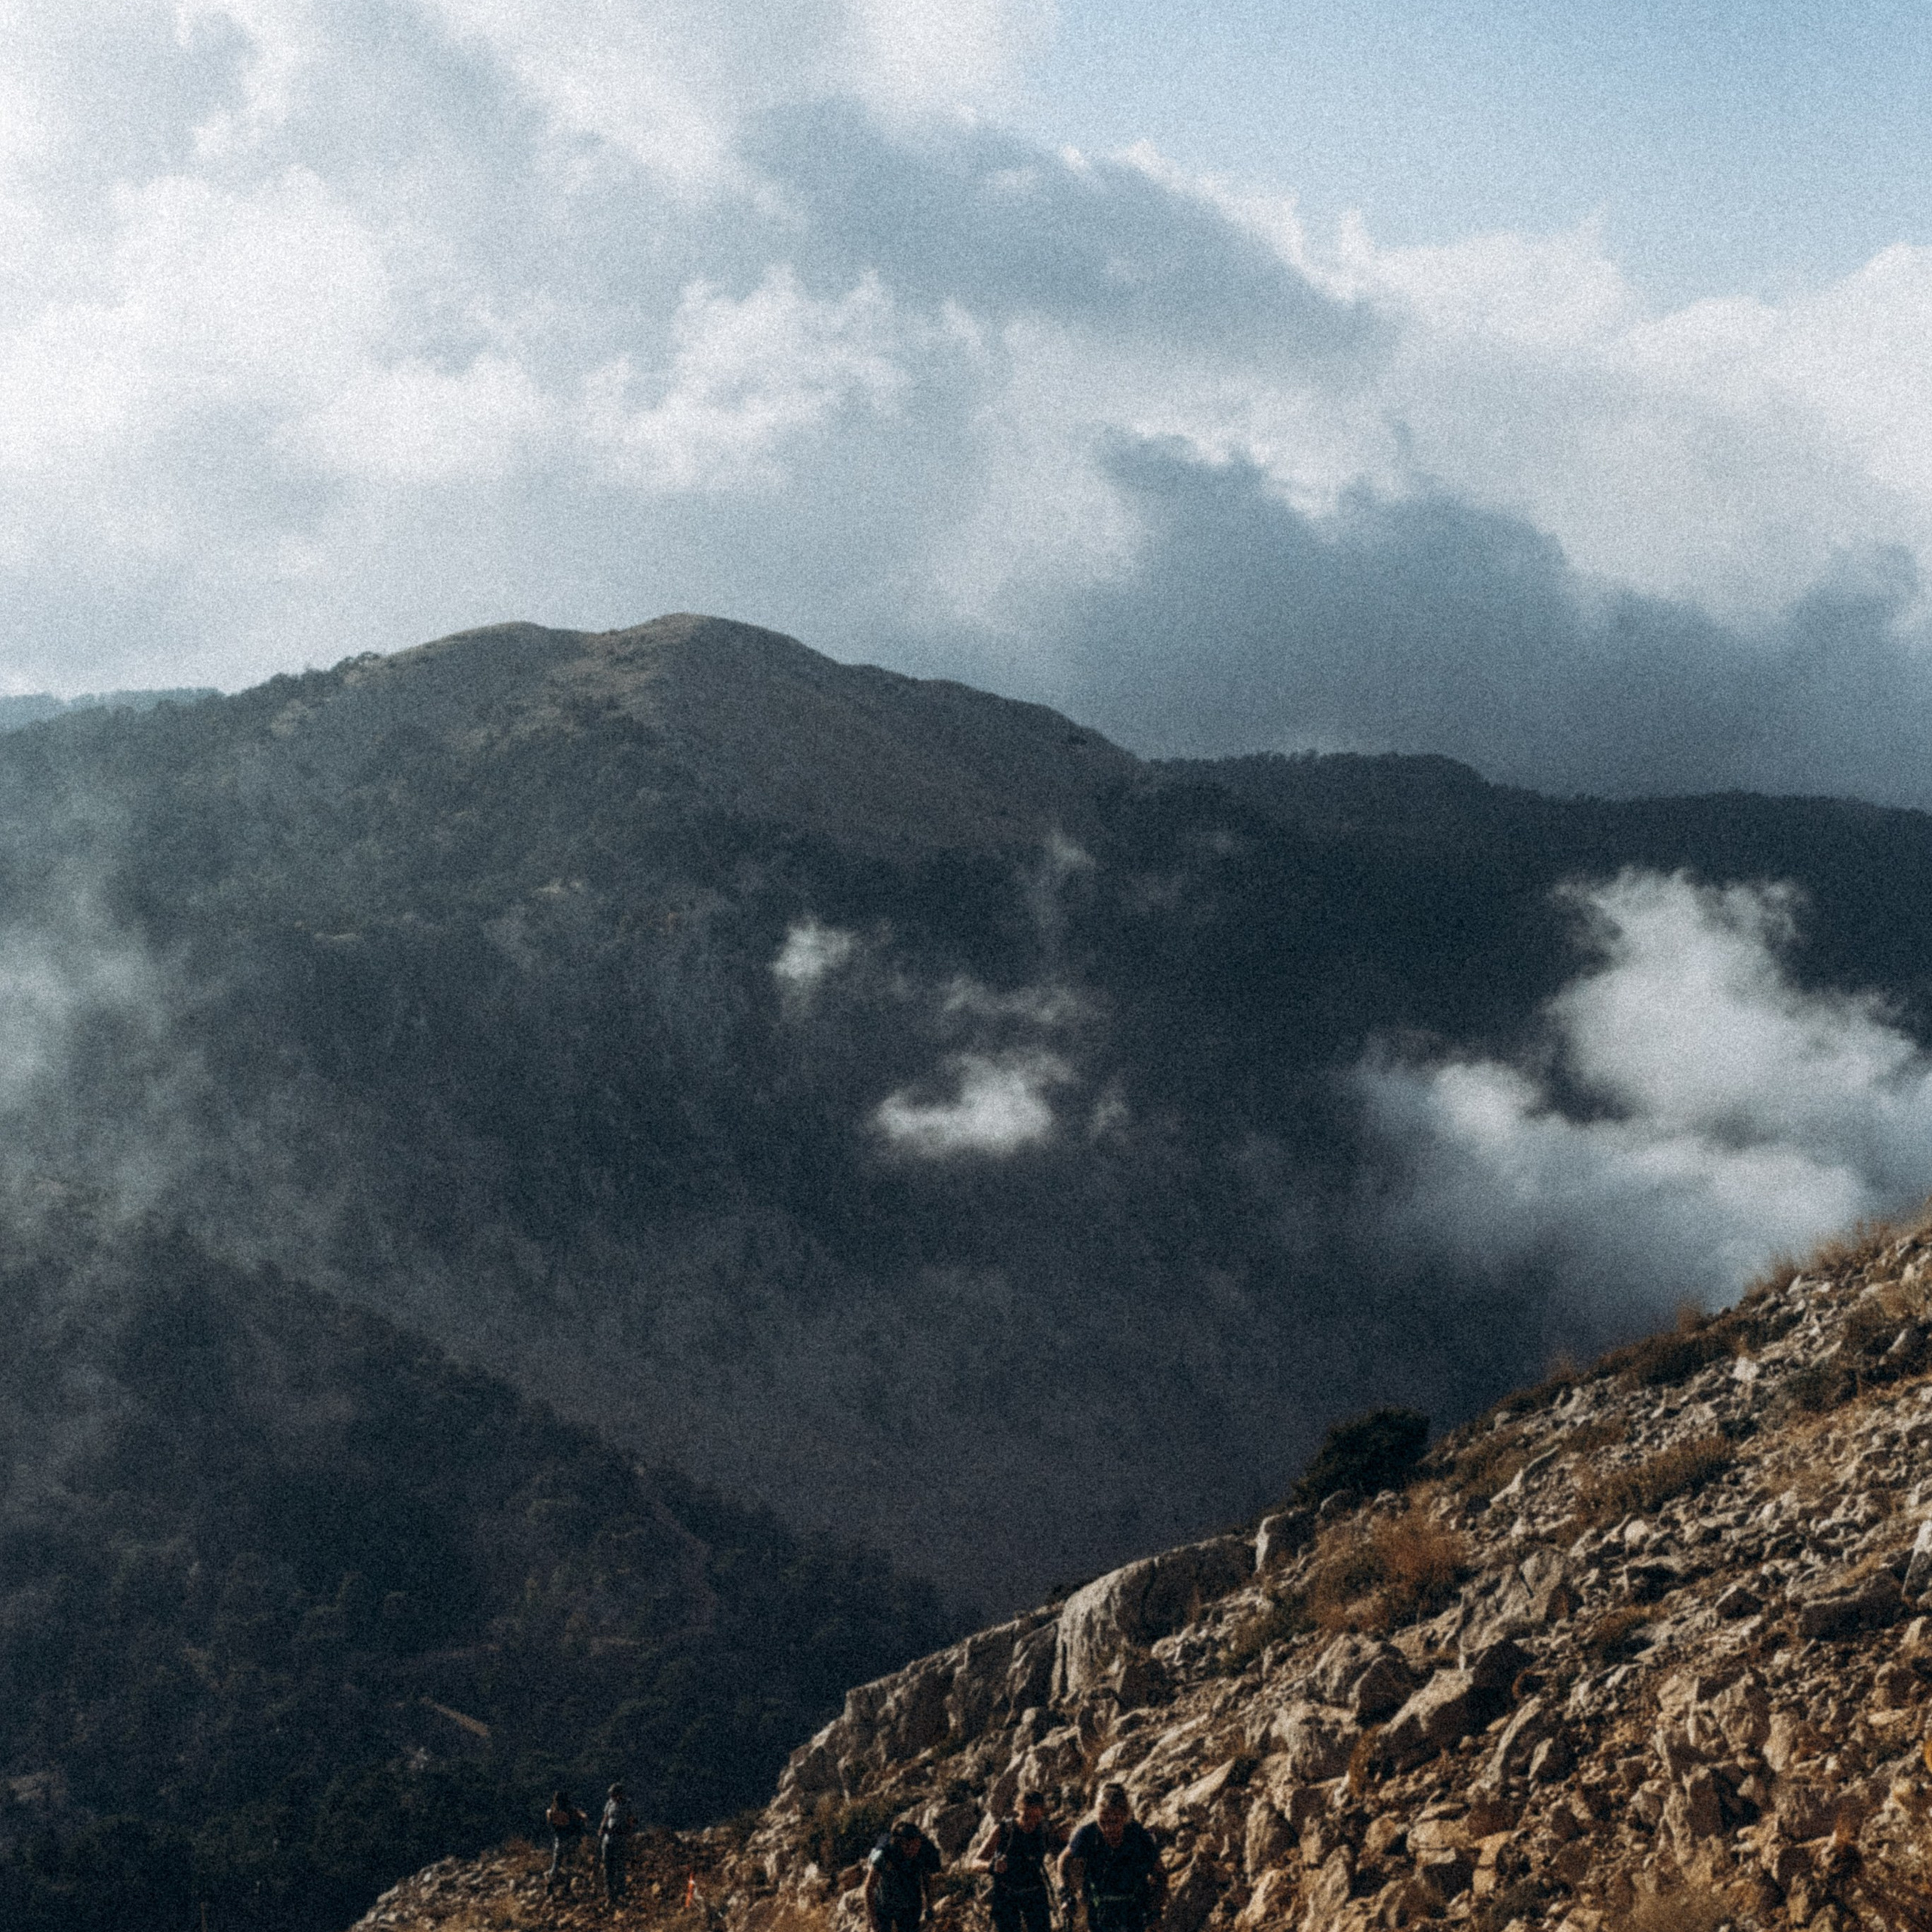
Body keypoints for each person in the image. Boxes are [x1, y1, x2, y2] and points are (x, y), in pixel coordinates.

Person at [1060, 1784, 1165, 1932]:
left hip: (1133, 1912)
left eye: (1114, 1822)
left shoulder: (1138, 1836)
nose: (1108, 1829)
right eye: (1103, 1822)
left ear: (1125, 1816)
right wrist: (1065, 1894)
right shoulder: (1089, 1834)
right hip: (1099, 1913)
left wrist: (1154, 1912)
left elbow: (1160, 1875)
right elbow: (1064, 1860)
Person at [977, 1791, 1062, 1932]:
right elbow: (975, 1862)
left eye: (1036, 1817)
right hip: (1006, 1894)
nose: (1031, 1822)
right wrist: (992, 1866)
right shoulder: (1004, 1830)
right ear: (1017, 1810)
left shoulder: (1044, 1830)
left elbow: (1061, 1856)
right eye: (1026, 1817)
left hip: (1034, 1892)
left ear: (1042, 1813)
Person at [866, 1819, 941, 1932]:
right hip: (884, 1902)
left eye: (915, 1846)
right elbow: (869, 1887)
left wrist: (929, 1905)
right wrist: (873, 1919)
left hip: (910, 1901)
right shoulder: (886, 1854)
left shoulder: (924, 1851)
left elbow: (926, 1878)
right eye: (907, 1846)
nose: (912, 1850)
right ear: (900, 1844)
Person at [599, 1782, 638, 1907]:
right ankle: (610, 1894)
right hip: (608, 1838)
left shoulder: (627, 1804)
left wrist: (629, 1832)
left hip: (620, 1837)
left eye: (614, 1794)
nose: (613, 1796)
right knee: (608, 1866)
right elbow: (606, 1817)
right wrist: (601, 1828)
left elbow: (631, 1820)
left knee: (620, 1866)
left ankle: (621, 1892)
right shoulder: (610, 1803)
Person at [545, 1789, 588, 1897]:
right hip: (570, 1840)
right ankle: (567, 1887)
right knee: (569, 1864)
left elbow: (550, 1819)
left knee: (556, 1864)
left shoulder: (551, 1812)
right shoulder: (571, 1811)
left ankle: (550, 1885)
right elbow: (584, 1817)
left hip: (559, 1840)